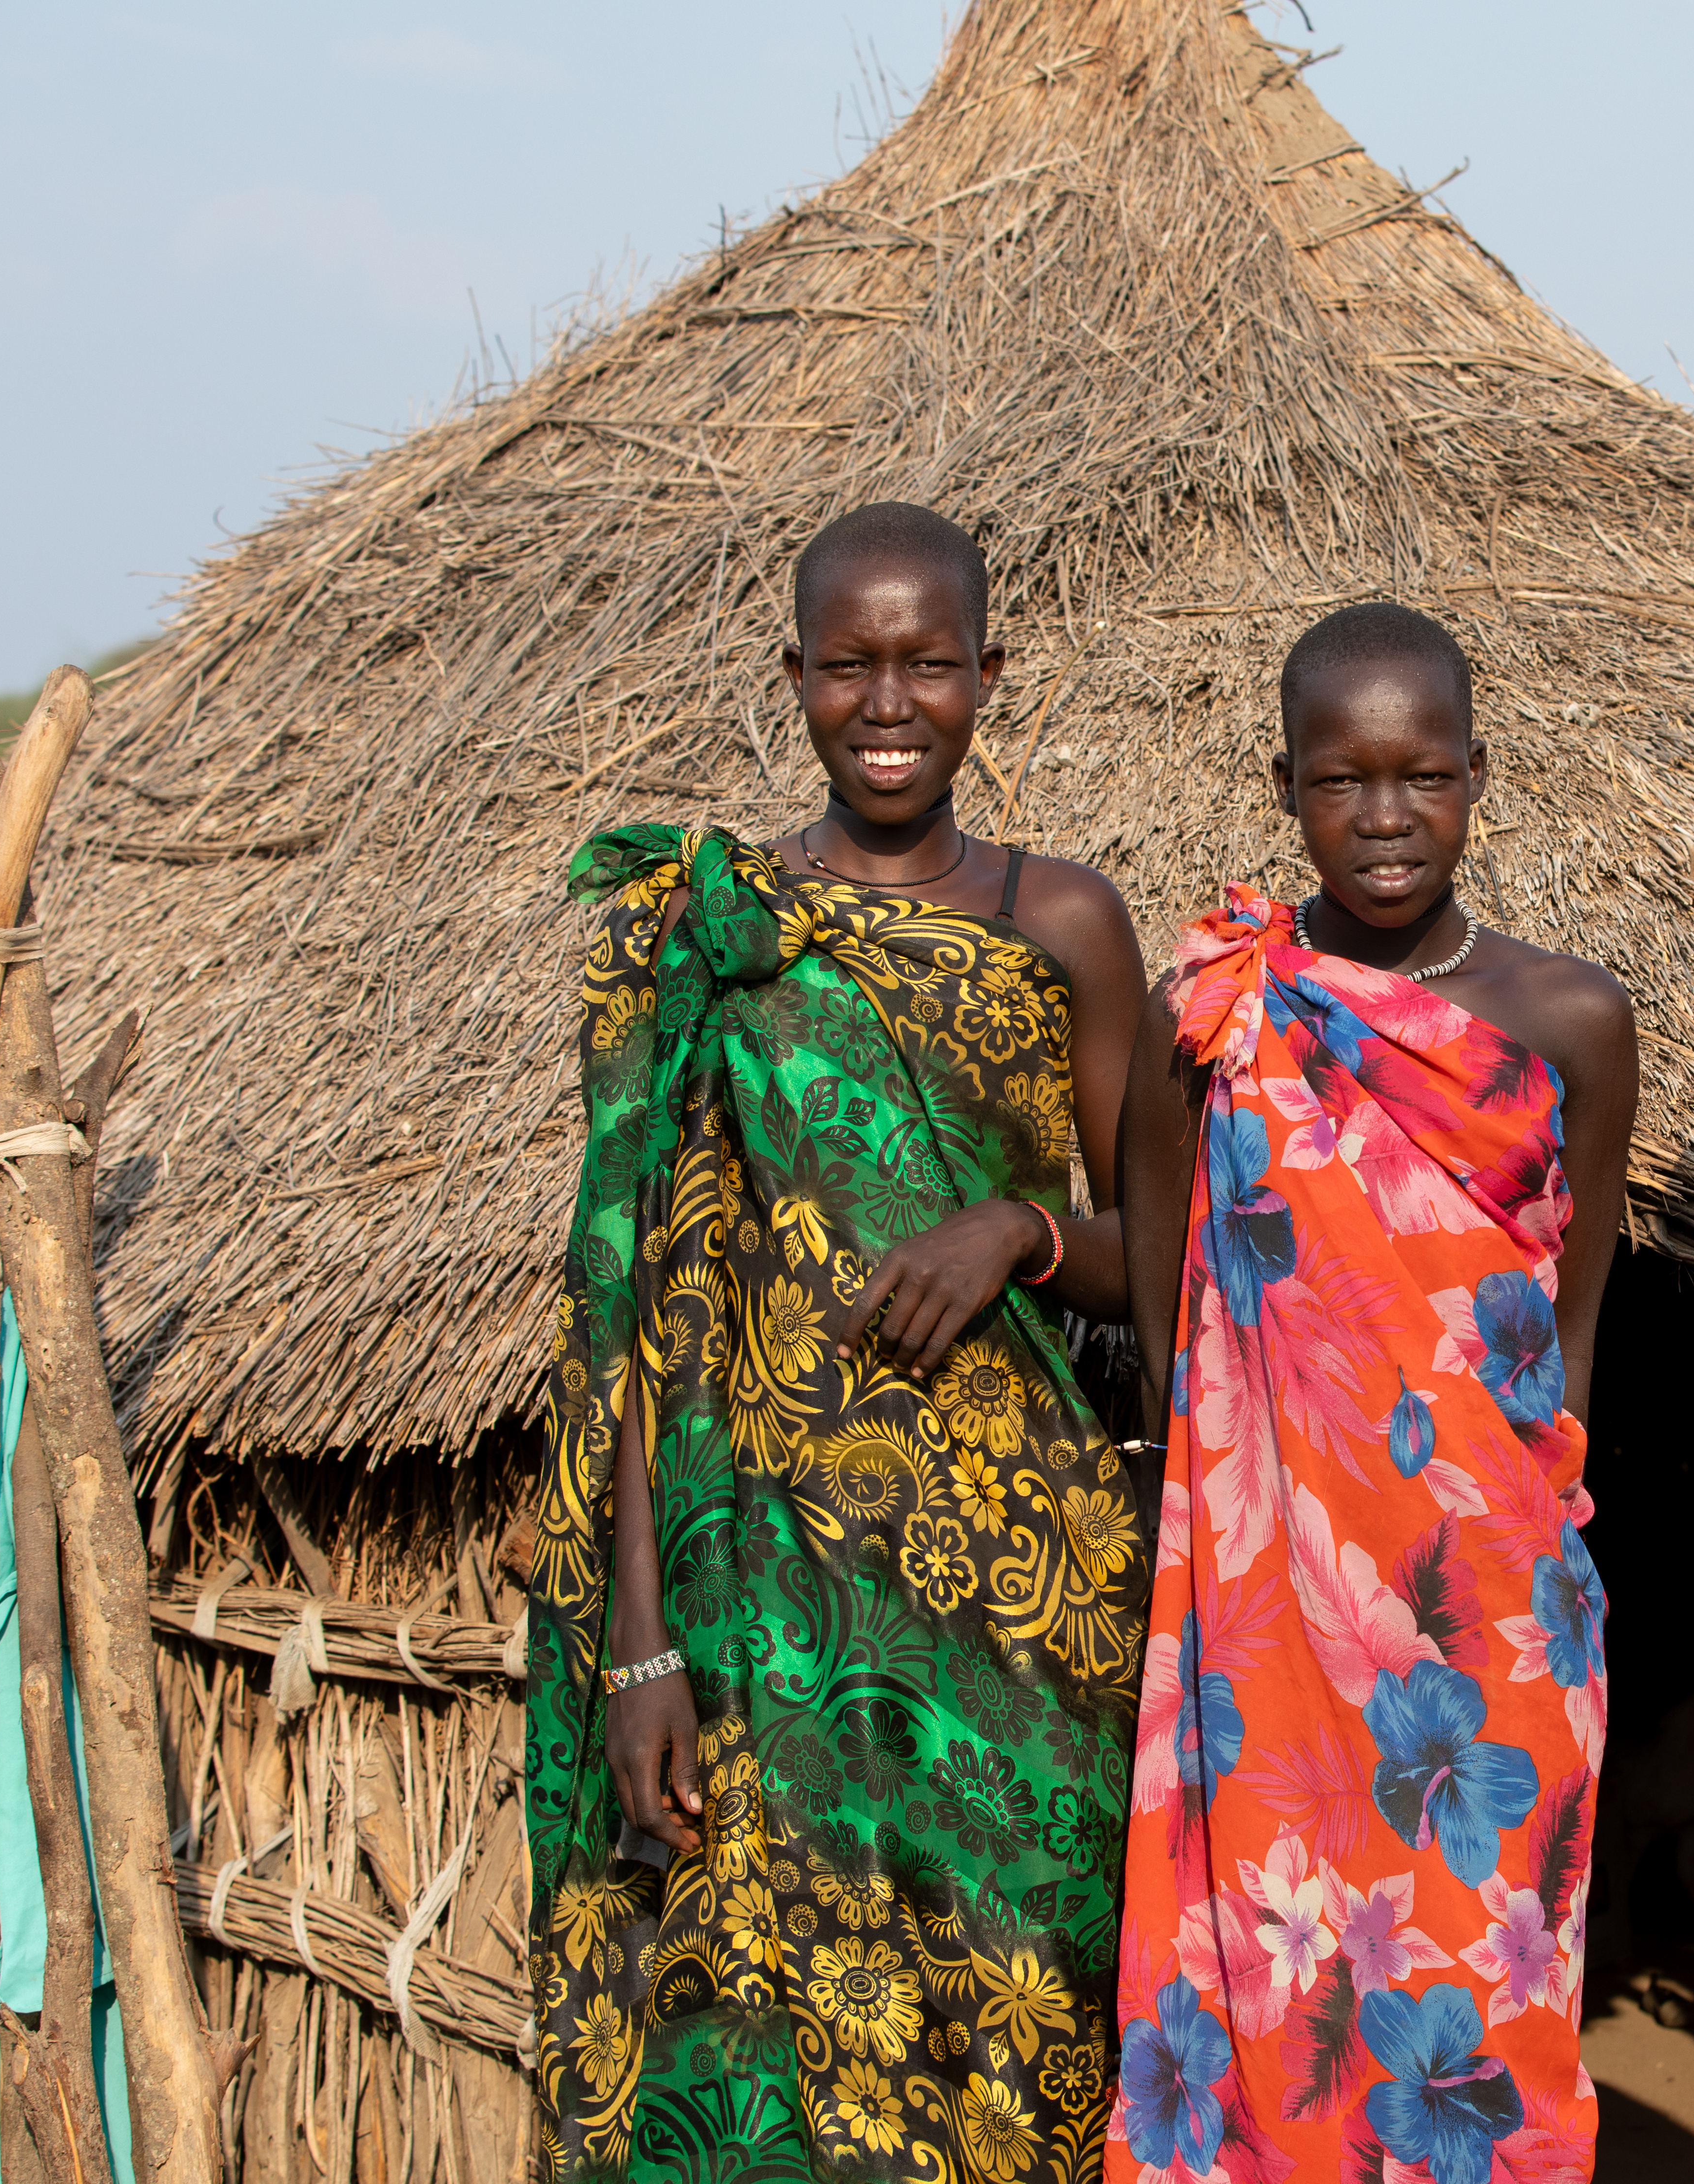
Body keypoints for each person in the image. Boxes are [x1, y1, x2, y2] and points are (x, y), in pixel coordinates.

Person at [525, 503, 1153, 2182]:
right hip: (759, 1609)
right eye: (852, 666)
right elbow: (638, 1313)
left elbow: (1174, 1265)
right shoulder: (706, 936)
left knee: (1017, 2051)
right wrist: (641, 1649)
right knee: (763, 2058)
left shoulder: (1066, 923)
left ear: (988, 676)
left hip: (1022, 1611)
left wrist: (1021, 1230)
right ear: (793, 675)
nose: (892, 703)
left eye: (930, 664)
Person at [1103, 604, 1638, 2184]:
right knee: (1273, 1974)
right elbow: (1153, 1236)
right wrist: (1175, 1461)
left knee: (1485, 1995)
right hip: (1267, 1597)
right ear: (1286, 785)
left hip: (1496, 1602)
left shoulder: (1572, 1017)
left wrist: (1555, 1548)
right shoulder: (1220, 1004)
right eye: (1344, 782)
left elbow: (1570, 1310)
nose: (1386, 818)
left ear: (1479, 777)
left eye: (1423, 778)